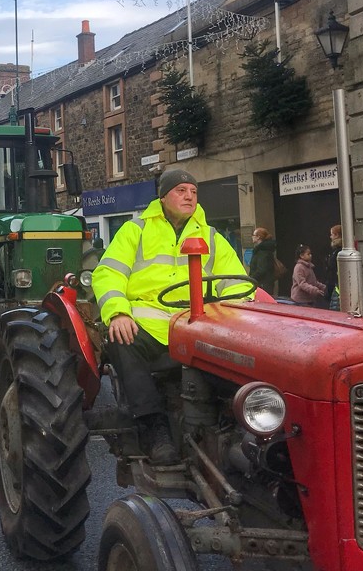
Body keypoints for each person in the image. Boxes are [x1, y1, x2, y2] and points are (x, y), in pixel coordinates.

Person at [91, 169, 252, 465]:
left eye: (193, 191)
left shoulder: (210, 235)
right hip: (148, 322)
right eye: (181, 190)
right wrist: (117, 313)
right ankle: (154, 428)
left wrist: (235, 309)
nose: (189, 196)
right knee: (122, 341)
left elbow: (238, 281)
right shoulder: (135, 230)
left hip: (198, 323)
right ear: (163, 197)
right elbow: (109, 273)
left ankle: (244, 423)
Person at [248, 228, 277, 295]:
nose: (252, 237)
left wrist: (250, 278)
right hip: (263, 283)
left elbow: (261, 270)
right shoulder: (262, 250)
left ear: (258, 237)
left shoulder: (262, 252)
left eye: (253, 235)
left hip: (262, 285)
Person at [324, 224, 343, 310]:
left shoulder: (338, 251)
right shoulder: (336, 250)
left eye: (332, 234)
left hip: (336, 286)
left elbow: (332, 269)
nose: (330, 237)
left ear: (337, 235)